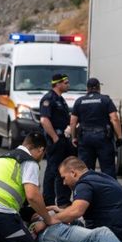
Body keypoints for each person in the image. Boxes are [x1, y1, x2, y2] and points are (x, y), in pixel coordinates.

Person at [52, 156, 122, 242]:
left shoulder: (83, 184)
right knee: (75, 224)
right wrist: (61, 211)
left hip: (117, 237)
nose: (64, 183)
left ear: (73, 173)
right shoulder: (98, 177)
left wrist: (50, 219)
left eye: (64, 178)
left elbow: (76, 211)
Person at [70, 77, 122, 178]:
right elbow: (114, 119)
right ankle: (109, 192)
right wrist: (119, 137)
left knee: (85, 170)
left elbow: (73, 122)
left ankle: (86, 191)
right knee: (108, 170)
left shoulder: (79, 101)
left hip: (85, 138)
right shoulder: (105, 100)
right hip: (103, 138)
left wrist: (73, 137)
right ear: (98, 87)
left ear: (87, 88)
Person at [40, 73, 74, 206]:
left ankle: (63, 201)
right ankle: (48, 201)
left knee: (63, 170)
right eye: (65, 83)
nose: (68, 85)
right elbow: (44, 120)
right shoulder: (49, 99)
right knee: (52, 171)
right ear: (58, 84)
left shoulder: (61, 100)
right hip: (55, 141)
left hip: (63, 139)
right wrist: (54, 137)